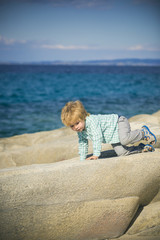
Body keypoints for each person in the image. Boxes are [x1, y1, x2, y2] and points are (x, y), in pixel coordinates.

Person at [61, 100, 156, 161]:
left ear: (83, 116)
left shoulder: (92, 121)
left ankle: (143, 133)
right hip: (113, 135)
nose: (75, 128)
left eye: (77, 123)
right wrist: (82, 159)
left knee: (124, 139)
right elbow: (82, 143)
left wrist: (96, 155)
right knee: (122, 153)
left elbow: (97, 137)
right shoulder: (81, 130)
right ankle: (142, 148)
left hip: (119, 122)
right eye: (72, 126)